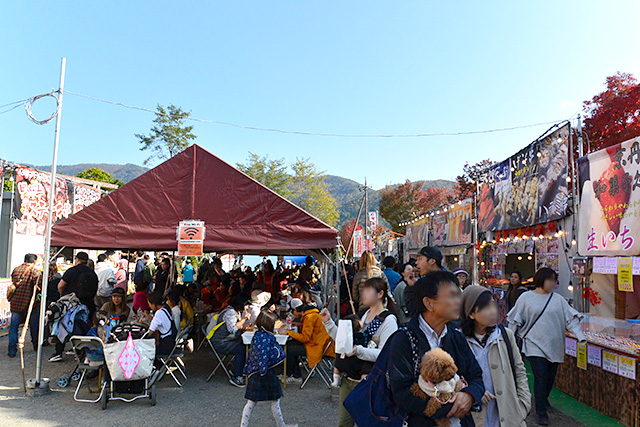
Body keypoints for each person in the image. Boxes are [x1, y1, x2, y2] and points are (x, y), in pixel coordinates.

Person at [387, 271, 484, 426]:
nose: (458, 301)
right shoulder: (403, 339)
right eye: (452, 296)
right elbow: (402, 392)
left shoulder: (456, 337)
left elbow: (476, 375)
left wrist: (469, 396)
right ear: (429, 303)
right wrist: (449, 406)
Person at [507, 268, 585, 426]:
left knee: (550, 377)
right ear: (541, 279)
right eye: (550, 279)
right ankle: (540, 411)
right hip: (533, 344)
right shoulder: (526, 298)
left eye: (555, 280)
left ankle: (543, 399)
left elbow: (570, 319)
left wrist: (580, 336)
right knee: (541, 376)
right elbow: (515, 319)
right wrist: (509, 339)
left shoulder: (558, 299)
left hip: (555, 344)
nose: (553, 283)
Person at [322, 277, 399, 427]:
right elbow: (345, 341)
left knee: (367, 423)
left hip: (370, 382)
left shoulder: (389, 320)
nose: (363, 293)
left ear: (380, 294)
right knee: (344, 423)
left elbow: (386, 354)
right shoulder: (363, 314)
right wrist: (329, 323)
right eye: (363, 289)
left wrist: (358, 351)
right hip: (348, 378)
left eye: (368, 290)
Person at [460, 285, 531, 427]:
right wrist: (472, 391)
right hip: (473, 417)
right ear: (471, 314)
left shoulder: (505, 335)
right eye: (486, 307)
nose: (493, 311)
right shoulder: (459, 340)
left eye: (494, 305)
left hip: (508, 415)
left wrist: (523, 404)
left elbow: (519, 370)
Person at [241, 311, 298, 427]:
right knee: (275, 401)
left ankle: (243, 425)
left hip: (256, 372)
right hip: (265, 372)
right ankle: (281, 425)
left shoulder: (257, 335)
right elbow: (264, 356)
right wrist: (264, 370)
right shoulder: (267, 337)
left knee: (251, 402)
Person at [277, 302, 335, 384]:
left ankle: (296, 376)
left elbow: (305, 338)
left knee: (289, 349)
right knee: (291, 344)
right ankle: (288, 373)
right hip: (321, 344)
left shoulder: (309, 317)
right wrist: (299, 324)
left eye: (293, 312)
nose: (293, 315)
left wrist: (288, 332)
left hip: (318, 347)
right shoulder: (313, 314)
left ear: (296, 310)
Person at [210, 298, 251, 387]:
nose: (247, 307)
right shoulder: (230, 313)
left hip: (227, 340)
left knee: (245, 346)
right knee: (242, 349)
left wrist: (244, 327)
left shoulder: (234, 311)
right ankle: (237, 377)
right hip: (222, 342)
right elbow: (232, 329)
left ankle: (237, 369)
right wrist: (244, 320)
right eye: (246, 305)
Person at [8, 253, 42, 357]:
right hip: (30, 304)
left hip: (16, 303)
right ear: (34, 261)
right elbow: (39, 288)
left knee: (14, 327)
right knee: (34, 326)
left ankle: (12, 350)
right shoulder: (35, 272)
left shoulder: (16, 269)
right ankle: (36, 346)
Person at [404, 246, 443, 316]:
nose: (416, 262)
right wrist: (412, 287)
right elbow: (414, 309)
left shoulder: (447, 282)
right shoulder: (423, 282)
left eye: (420, 259)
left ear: (432, 261)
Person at [58, 252, 99, 317]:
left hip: (70, 304)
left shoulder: (71, 271)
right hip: (87, 304)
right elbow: (96, 288)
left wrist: (64, 295)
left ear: (77, 259)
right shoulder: (92, 273)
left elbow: (60, 286)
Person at [147, 291, 177, 358]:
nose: (149, 306)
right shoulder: (166, 308)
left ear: (154, 304)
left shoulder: (159, 313)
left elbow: (150, 331)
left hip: (166, 346)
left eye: (149, 304)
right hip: (171, 343)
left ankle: (157, 367)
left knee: (147, 351)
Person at [394, 262, 414, 326]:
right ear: (402, 273)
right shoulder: (401, 287)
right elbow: (399, 304)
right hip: (405, 320)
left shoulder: (415, 284)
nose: (411, 271)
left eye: (412, 269)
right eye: (408, 269)